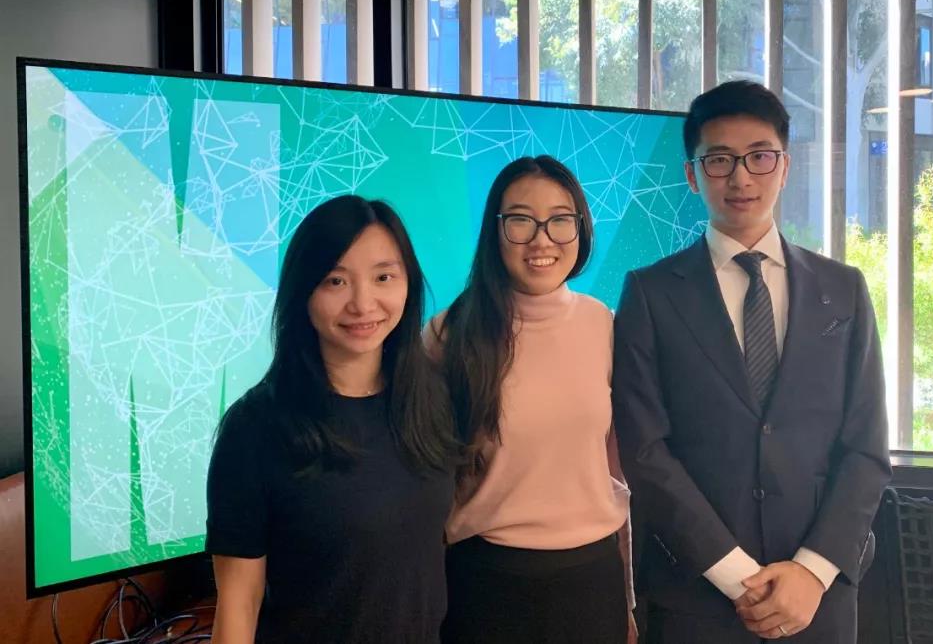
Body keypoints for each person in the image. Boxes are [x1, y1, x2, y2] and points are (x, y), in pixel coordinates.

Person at [612, 81, 891, 642]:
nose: (741, 178)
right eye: (719, 160)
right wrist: (737, 576)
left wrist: (811, 572)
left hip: (817, 597)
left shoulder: (844, 289)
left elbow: (866, 447)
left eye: (760, 157)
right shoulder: (650, 292)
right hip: (696, 593)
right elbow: (645, 449)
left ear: (784, 167)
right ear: (692, 175)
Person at [206, 195, 458, 644]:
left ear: (408, 284)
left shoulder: (431, 398)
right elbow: (240, 602)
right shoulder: (255, 428)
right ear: (303, 292)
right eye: (335, 281)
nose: (363, 303)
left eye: (383, 277)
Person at [430, 155, 631, 644]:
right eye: (520, 220)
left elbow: (617, 472)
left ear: (581, 227)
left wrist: (628, 600)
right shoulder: (449, 334)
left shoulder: (603, 325)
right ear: (495, 230)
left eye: (560, 220)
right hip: (485, 583)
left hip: (592, 580)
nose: (542, 240)